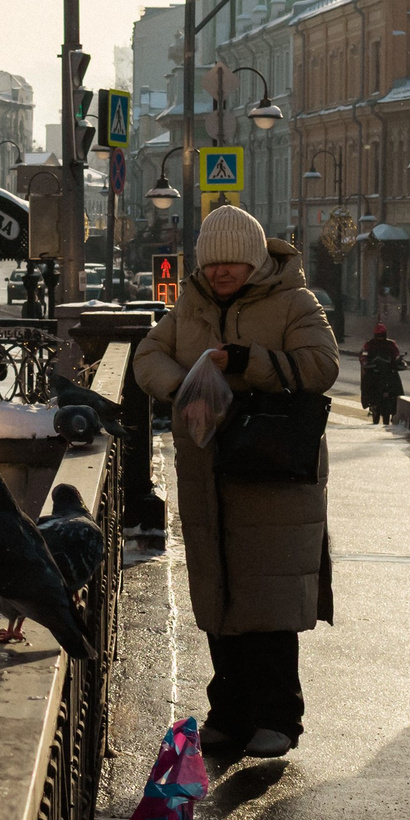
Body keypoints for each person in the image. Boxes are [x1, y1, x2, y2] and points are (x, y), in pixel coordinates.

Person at [132, 203, 339, 759]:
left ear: (254, 261)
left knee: (268, 598)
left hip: (273, 472)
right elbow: (148, 355)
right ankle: (228, 713)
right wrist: (186, 387)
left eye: (232, 262)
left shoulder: (294, 301)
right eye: (212, 262)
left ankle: (278, 718)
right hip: (208, 472)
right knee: (220, 594)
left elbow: (322, 366)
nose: (220, 271)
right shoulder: (191, 304)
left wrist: (248, 362)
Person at [359, 323, 404, 425]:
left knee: (397, 388)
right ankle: (370, 402)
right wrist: (365, 362)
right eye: (379, 335)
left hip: (388, 373)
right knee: (367, 384)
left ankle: (395, 408)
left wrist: (399, 362)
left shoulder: (391, 344)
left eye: (382, 335)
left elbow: (396, 355)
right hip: (374, 373)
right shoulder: (369, 345)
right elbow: (363, 355)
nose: (380, 338)